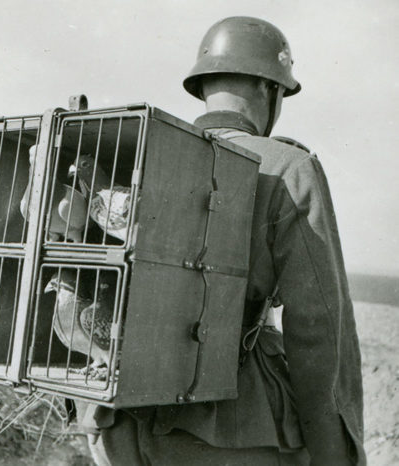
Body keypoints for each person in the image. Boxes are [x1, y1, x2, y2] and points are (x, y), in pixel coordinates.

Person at [79, 16, 366, 465]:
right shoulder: (288, 167)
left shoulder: (140, 154)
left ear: (203, 85)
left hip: (120, 422)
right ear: (268, 89)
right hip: (230, 431)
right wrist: (336, 455)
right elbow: (319, 332)